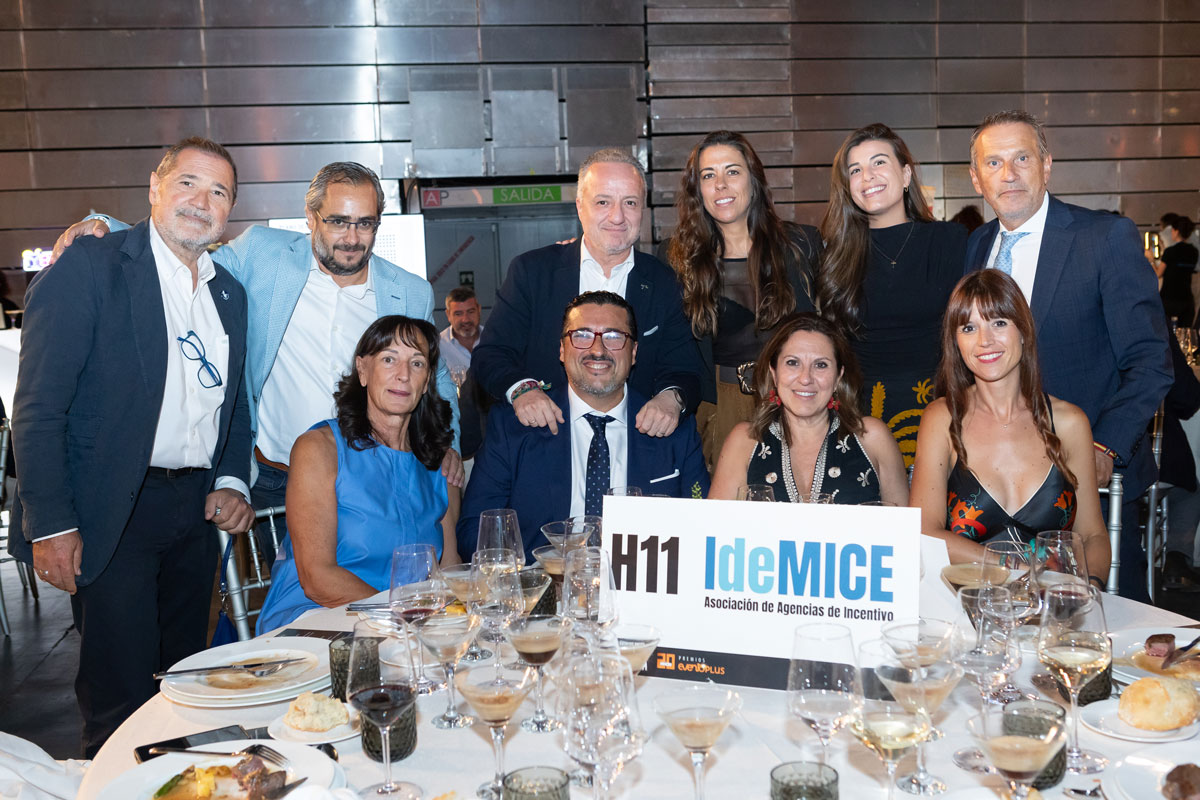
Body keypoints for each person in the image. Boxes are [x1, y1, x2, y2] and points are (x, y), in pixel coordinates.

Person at [51, 162, 465, 560]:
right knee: (301, 597)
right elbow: (182, 253)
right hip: (277, 478)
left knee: (383, 589)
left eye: (366, 223)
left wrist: (448, 443)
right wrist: (106, 225)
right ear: (310, 217)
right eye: (338, 221)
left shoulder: (408, 291)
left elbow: (437, 376)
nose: (352, 237)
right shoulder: (263, 254)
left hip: (376, 478)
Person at [7, 137, 253, 756]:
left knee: (185, 683)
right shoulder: (92, 266)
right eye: (188, 183)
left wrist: (231, 479)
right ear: (154, 188)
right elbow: (38, 407)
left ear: (230, 210)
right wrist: (51, 524)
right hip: (113, 509)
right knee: (120, 696)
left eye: (219, 192)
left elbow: (233, 405)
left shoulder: (229, 293)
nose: (201, 202)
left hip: (193, 515)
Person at [964, 109, 1171, 600]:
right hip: (999, 487)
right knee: (1003, 613)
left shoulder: (1104, 238)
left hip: (1090, 486)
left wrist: (1105, 447)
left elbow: (1149, 359)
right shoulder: (977, 246)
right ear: (975, 179)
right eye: (993, 163)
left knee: (1100, 619)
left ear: (1047, 165)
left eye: (1021, 159)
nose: (1008, 174)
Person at [470, 147, 705, 441]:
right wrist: (523, 390)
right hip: (545, 441)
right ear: (580, 207)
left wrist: (671, 398)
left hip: (636, 446)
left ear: (642, 210)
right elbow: (491, 355)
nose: (617, 217)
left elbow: (685, 369)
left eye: (630, 202)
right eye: (603, 202)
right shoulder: (532, 272)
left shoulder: (666, 282)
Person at [458, 291, 709, 561]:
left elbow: (704, 530)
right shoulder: (513, 428)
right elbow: (474, 533)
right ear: (562, 350)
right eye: (582, 335)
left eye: (614, 336)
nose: (598, 350)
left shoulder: (674, 431)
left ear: (634, 352)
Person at [257, 316, 458, 631]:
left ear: (427, 380)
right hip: (318, 617)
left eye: (417, 363)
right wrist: (403, 618)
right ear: (363, 370)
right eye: (389, 359)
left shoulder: (438, 464)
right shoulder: (320, 449)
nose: (403, 374)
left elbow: (448, 571)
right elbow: (318, 579)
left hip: (410, 624)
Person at [910, 271, 1110, 581]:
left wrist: (1087, 589)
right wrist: (1014, 568)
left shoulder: (1069, 423)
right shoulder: (942, 418)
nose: (985, 340)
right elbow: (924, 532)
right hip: (966, 601)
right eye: (969, 327)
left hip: (1050, 603)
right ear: (956, 342)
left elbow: (1093, 536)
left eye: (999, 323)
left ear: (1024, 331)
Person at [660, 130, 822, 467]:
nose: (721, 185)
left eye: (732, 171)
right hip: (717, 407)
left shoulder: (801, 244)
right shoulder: (675, 257)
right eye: (708, 176)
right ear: (697, 189)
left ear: (754, 179)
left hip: (794, 399)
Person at [817, 123, 967, 467]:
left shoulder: (951, 241)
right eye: (856, 170)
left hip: (942, 407)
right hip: (861, 415)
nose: (867, 176)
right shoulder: (833, 256)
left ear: (906, 174)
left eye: (879, 162)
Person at [710, 313, 907, 504]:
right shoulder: (744, 441)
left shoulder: (872, 438)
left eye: (820, 365)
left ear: (838, 376)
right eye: (792, 363)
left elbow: (908, 526)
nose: (805, 378)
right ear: (774, 373)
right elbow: (714, 525)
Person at [1151, 213, 1198, 325]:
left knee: (1167, 331)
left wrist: (1151, 259)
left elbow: (1158, 273)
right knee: (1184, 330)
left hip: (1169, 299)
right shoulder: (1194, 251)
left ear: (1176, 231)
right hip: (1186, 299)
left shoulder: (1170, 251)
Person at [440, 285, 482, 386]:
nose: (465, 319)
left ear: (479, 310)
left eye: (470, 312)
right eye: (458, 314)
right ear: (448, 314)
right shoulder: (438, 347)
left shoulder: (494, 340)